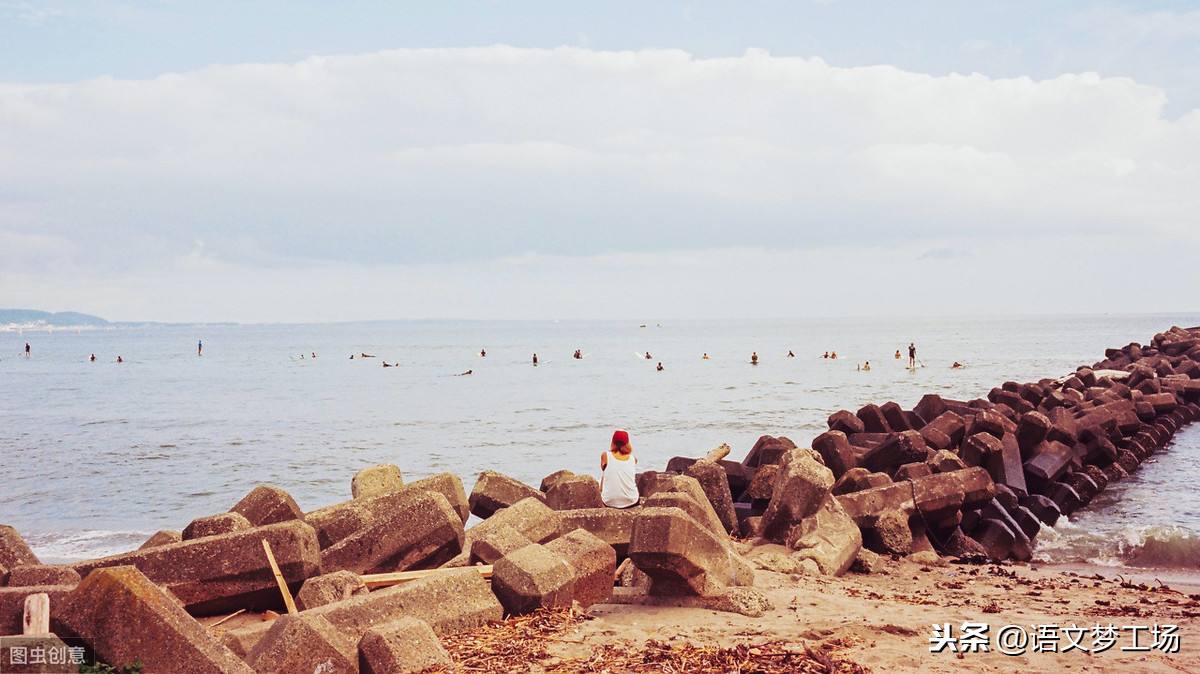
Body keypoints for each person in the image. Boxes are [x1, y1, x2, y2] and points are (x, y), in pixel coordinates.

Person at [600, 430, 639, 509]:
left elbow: (603, 470)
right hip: (631, 500)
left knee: (604, 477)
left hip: (609, 501)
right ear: (627, 443)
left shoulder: (605, 455)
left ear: (613, 442)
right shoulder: (633, 459)